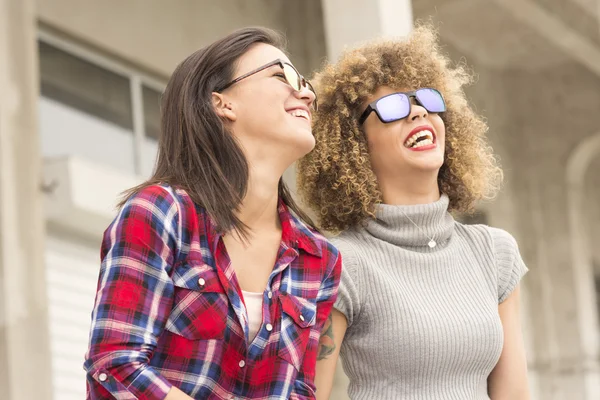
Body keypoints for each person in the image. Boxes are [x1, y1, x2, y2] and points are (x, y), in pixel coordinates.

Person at [84, 27, 341, 400]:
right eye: (280, 74)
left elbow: (300, 389)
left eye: (305, 82)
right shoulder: (161, 213)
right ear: (222, 103)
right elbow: (115, 366)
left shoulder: (319, 258)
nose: (305, 92)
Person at [298, 25, 530, 399]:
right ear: (353, 143)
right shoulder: (339, 262)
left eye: (427, 99)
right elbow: (310, 394)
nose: (418, 111)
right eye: (393, 107)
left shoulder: (494, 252)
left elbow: (514, 394)